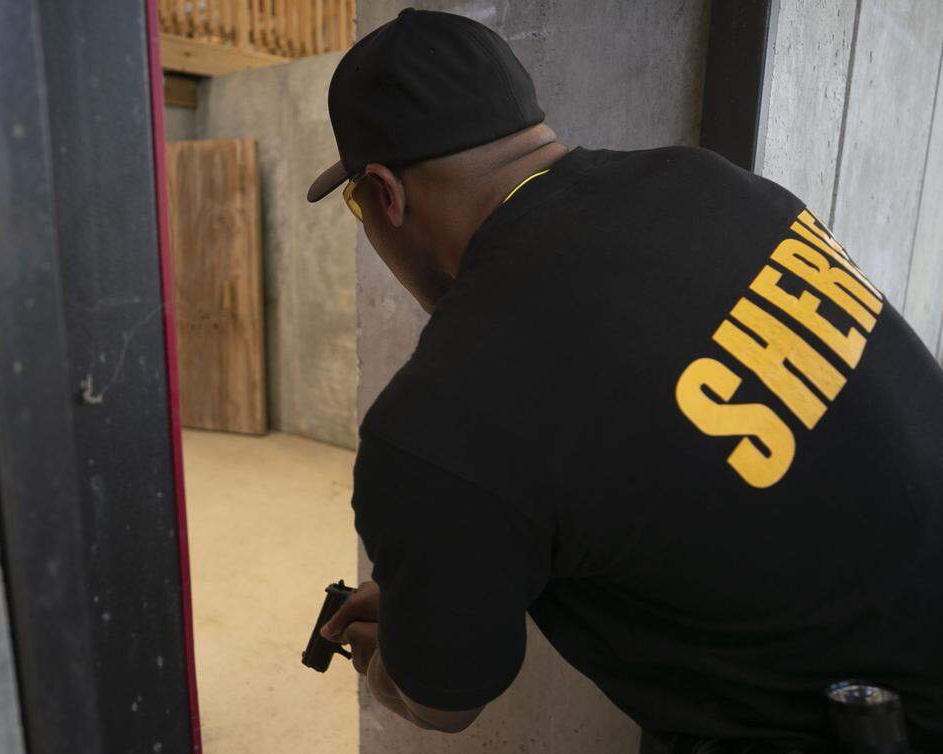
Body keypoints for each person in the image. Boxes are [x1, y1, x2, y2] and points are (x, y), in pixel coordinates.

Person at [307, 8, 943, 753]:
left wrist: (394, 657)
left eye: (357, 203)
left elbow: (445, 701)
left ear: (385, 195)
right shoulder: (714, 186)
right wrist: (435, 587)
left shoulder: (438, 419)